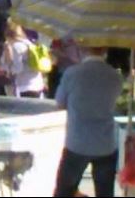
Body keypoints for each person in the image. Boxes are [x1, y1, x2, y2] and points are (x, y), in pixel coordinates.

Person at [51, 46, 124, 197]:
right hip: (105, 142)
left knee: (63, 191)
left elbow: (59, 103)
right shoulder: (115, 76)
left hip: (77, 141)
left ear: (83, 50)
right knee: (105, 192)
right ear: (105, 51)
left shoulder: (72, 73)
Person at [0, 21, 45, 98]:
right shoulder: (29, 43)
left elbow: (17, 69)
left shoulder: (16, 47)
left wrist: (9, 63)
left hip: (24, 87)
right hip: (38, 85)